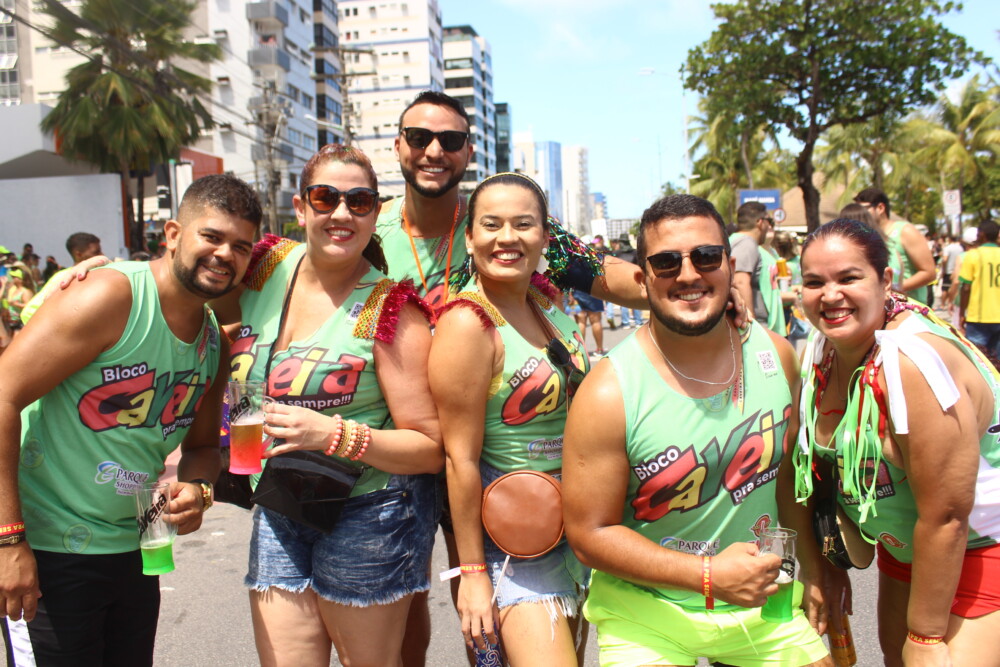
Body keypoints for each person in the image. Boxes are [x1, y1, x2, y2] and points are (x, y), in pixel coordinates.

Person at [0, 173, 262, 665]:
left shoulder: (212, 342)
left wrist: (198, 491)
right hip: (49, 552)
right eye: (211, 236)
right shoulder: (112, 296)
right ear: (172, 234)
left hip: (136, 549)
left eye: (241, 247)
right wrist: (8, 540)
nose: (225, 254)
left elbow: (203, 448)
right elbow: (2, 395)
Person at [563, 194, 831, 667]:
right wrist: (708, 575)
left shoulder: (776, 356)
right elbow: (590, 533)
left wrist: (813, 569)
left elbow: (787, 482)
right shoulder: (608, 391)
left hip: (764, 605)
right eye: (666, 262)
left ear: (730, 266)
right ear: (643, 279)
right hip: (646, 612)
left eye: (706, 257)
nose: (688, 274)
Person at [211, 144, 443, 667]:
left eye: (359, 202)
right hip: (278, 503)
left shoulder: (388, 307)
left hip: (369, 512)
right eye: (325, 198)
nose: (341, 213)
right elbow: (186, 290)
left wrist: (333, 435)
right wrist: (109, 275)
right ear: (300, 207)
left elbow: (430, 448)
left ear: (375, 213)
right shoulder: (266, 266)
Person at [787, 218, 1000, 666]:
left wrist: (926, 636)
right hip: (906, 550)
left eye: (849, 278)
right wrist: (825, 565)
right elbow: (818, 472)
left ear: (885, 280)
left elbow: (947, 516)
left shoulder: (911, 363)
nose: (830, 295)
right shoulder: (821, 351)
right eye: (814, 282)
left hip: (979, 549)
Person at [430, 172, 590, 665]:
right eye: (491, 224)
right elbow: (459, 458)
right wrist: (473, 572)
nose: (507, 238)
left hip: (574, 531)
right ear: (469, 237)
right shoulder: (468, 323)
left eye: (523, 224)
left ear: (544, 236)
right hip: (516, 545)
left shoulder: (544, 305)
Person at [853, 187, 935, 303]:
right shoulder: (868, 235)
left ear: (880, 208)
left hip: (910, 307)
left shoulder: (905, 231)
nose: (860, 214)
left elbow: (929, 273)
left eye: (864, 209)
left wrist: (894, 288)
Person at [20, 232, 103, 325]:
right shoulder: (65, 276)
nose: (102, 255)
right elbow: (29, 312)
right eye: (96, 252)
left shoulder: (94, 273)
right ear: (79, 254)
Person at [731, 201, 786, 335]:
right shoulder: (746, 243)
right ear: (760, 222)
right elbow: (740, 281)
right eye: (769, 221)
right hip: (759, 326)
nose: (770, 226)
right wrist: (752, 327)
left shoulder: (741, 242)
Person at [958, 219, 1000, 360]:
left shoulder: (973, 255)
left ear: (981, 234)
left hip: (978, 316)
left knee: (978, 361)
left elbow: (966, 287)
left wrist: (962, 313)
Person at [609, 234, 646, 329]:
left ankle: (626, 323)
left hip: (622, 279)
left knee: (623, 302)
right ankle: (638, 321)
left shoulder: (617, 253)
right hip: (635, 278)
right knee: (636, 300)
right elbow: (640, 265)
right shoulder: (635, 252)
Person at [3, 268, 33, 335]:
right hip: (11, 321)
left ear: (20, 279)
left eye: (14, 277)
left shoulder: (25, 291)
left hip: (20, 322)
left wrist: (16, 304)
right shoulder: (13, 290)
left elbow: (28, 306)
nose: (12, 279)